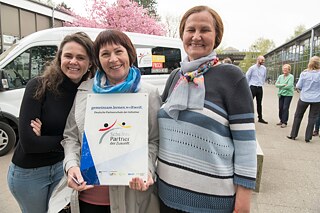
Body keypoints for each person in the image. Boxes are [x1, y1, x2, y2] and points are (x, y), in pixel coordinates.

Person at [48, 29, 161, 213]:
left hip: (130, 196)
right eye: (105, 54)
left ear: (129, 54)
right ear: (98, 60)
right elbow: (70, 137)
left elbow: (154, 140)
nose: (113, 59)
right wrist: (71, 166)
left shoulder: (148, 93)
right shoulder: (85, 90)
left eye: (118, 51)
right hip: (87, 196)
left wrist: (146, 169)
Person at [157, 6, 257, 213]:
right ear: (182, 34)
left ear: (216, 36)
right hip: (166, 195)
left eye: (205, 30)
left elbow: (246, 145)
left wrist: (243, 203)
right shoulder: (175, 76)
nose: (196, 36)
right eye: (190, 30)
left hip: (212, 202)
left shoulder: (231, 76)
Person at [7, 32, 96, 213]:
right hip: (29, 173)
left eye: (81, 57)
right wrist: (69, 140)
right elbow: (30, 143)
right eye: (68, 56)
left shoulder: (88, 93)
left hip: (62, 168)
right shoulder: (39, 86)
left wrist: (48, 138)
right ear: (60, 58)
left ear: (90, 63)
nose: (73, 62)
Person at [287, 56, 320, 143]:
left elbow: (298, 86)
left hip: (304, 98)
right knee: (312, 117)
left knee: (298, 116)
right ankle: (308, 137)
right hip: (317, 99)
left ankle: (293, 135)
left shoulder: (304, 73)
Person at [246, 55, 268, 124]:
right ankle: (247, 117)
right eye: (262, 60)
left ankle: (260, 118)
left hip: (259, 87)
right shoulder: (252, 68)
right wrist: (248, 86)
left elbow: (264, 77)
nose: (263, 61)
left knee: (259, 103)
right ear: (258, 60)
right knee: (249, 103)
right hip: (253, 87)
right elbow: (247, 76)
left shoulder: (264, 68)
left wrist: (262, 83)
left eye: (264, 60)